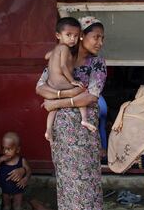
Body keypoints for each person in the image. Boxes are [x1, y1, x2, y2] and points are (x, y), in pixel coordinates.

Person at [35, 16, 107, 210]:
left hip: (85, 134)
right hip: (61, 134)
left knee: (87, 181)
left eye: (102, 38)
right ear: (82, 36)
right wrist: (67, 94)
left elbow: (91, 96)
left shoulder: (97, 63)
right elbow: (41, 88)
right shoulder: (61, 57)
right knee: (66, 181)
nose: (100, 43)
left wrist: (55, 103)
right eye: (96, 37)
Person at [44, 17, 96, 143]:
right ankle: (84, 119)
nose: (73, 39)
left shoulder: (57, 48)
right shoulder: (65, 48)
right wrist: (72, 81)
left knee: (53, 108)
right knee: (83, 92)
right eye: (68, 35)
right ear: (58, 35)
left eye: (76, 36)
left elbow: (46, 56)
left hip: (52, 84)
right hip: (61, 82)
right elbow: (62, 66)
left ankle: (48, 130)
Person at [0, 132, 31, 210]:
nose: (5, 151)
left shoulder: (21, 160)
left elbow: (28, 170)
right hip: (4, 189)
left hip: (17, 189)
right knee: (6, 206)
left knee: (17, 206)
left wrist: (26, 178)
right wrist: (0, 160)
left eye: (9, 149)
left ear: (17, 150)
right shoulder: (1, 159)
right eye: (3, 148)